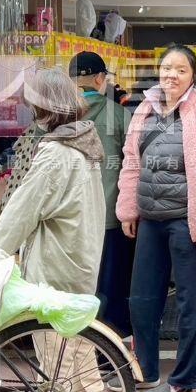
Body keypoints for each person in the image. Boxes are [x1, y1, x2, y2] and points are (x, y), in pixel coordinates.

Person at [0, 67, 107, 392]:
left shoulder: (55, 152)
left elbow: (22, 211)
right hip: (81, 249)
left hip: (57, 254)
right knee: (75, 329)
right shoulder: (85, 140)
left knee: (52, 338)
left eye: (32, 105)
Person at [116, 44, 196, 392]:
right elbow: (131, 162)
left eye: (180, 70)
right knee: (142, 299)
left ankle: (186, 379)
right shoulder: (145, 110)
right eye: (167, 68)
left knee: (189, 303)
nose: (171, 75)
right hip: (151, 219)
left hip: (188, 222)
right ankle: (146, 369)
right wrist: (128, 209)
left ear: (192, 76)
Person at [69, 51, 134, 337]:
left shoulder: (55, 116)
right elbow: (135, 163)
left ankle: (78, 336)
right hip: (110, 214)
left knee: (77, 282)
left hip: (69, 216)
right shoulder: (120, 115)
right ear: (99, 79)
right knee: (113, 281)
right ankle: (111, 339)